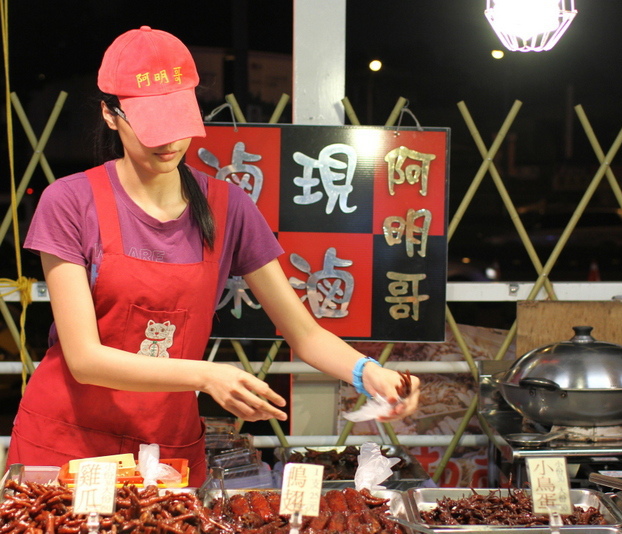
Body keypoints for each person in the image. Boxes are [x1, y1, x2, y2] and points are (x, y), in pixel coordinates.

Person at [8, 26, 420, 486]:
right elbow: (84, 358)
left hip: (163, 445)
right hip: (69, 440)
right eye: (150, 125)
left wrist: (369, 372)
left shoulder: (229, 207)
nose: (167, 142)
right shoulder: (69, 201)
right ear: (110, 114)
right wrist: (206, 376)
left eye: (176, 120)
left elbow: (303, 334)